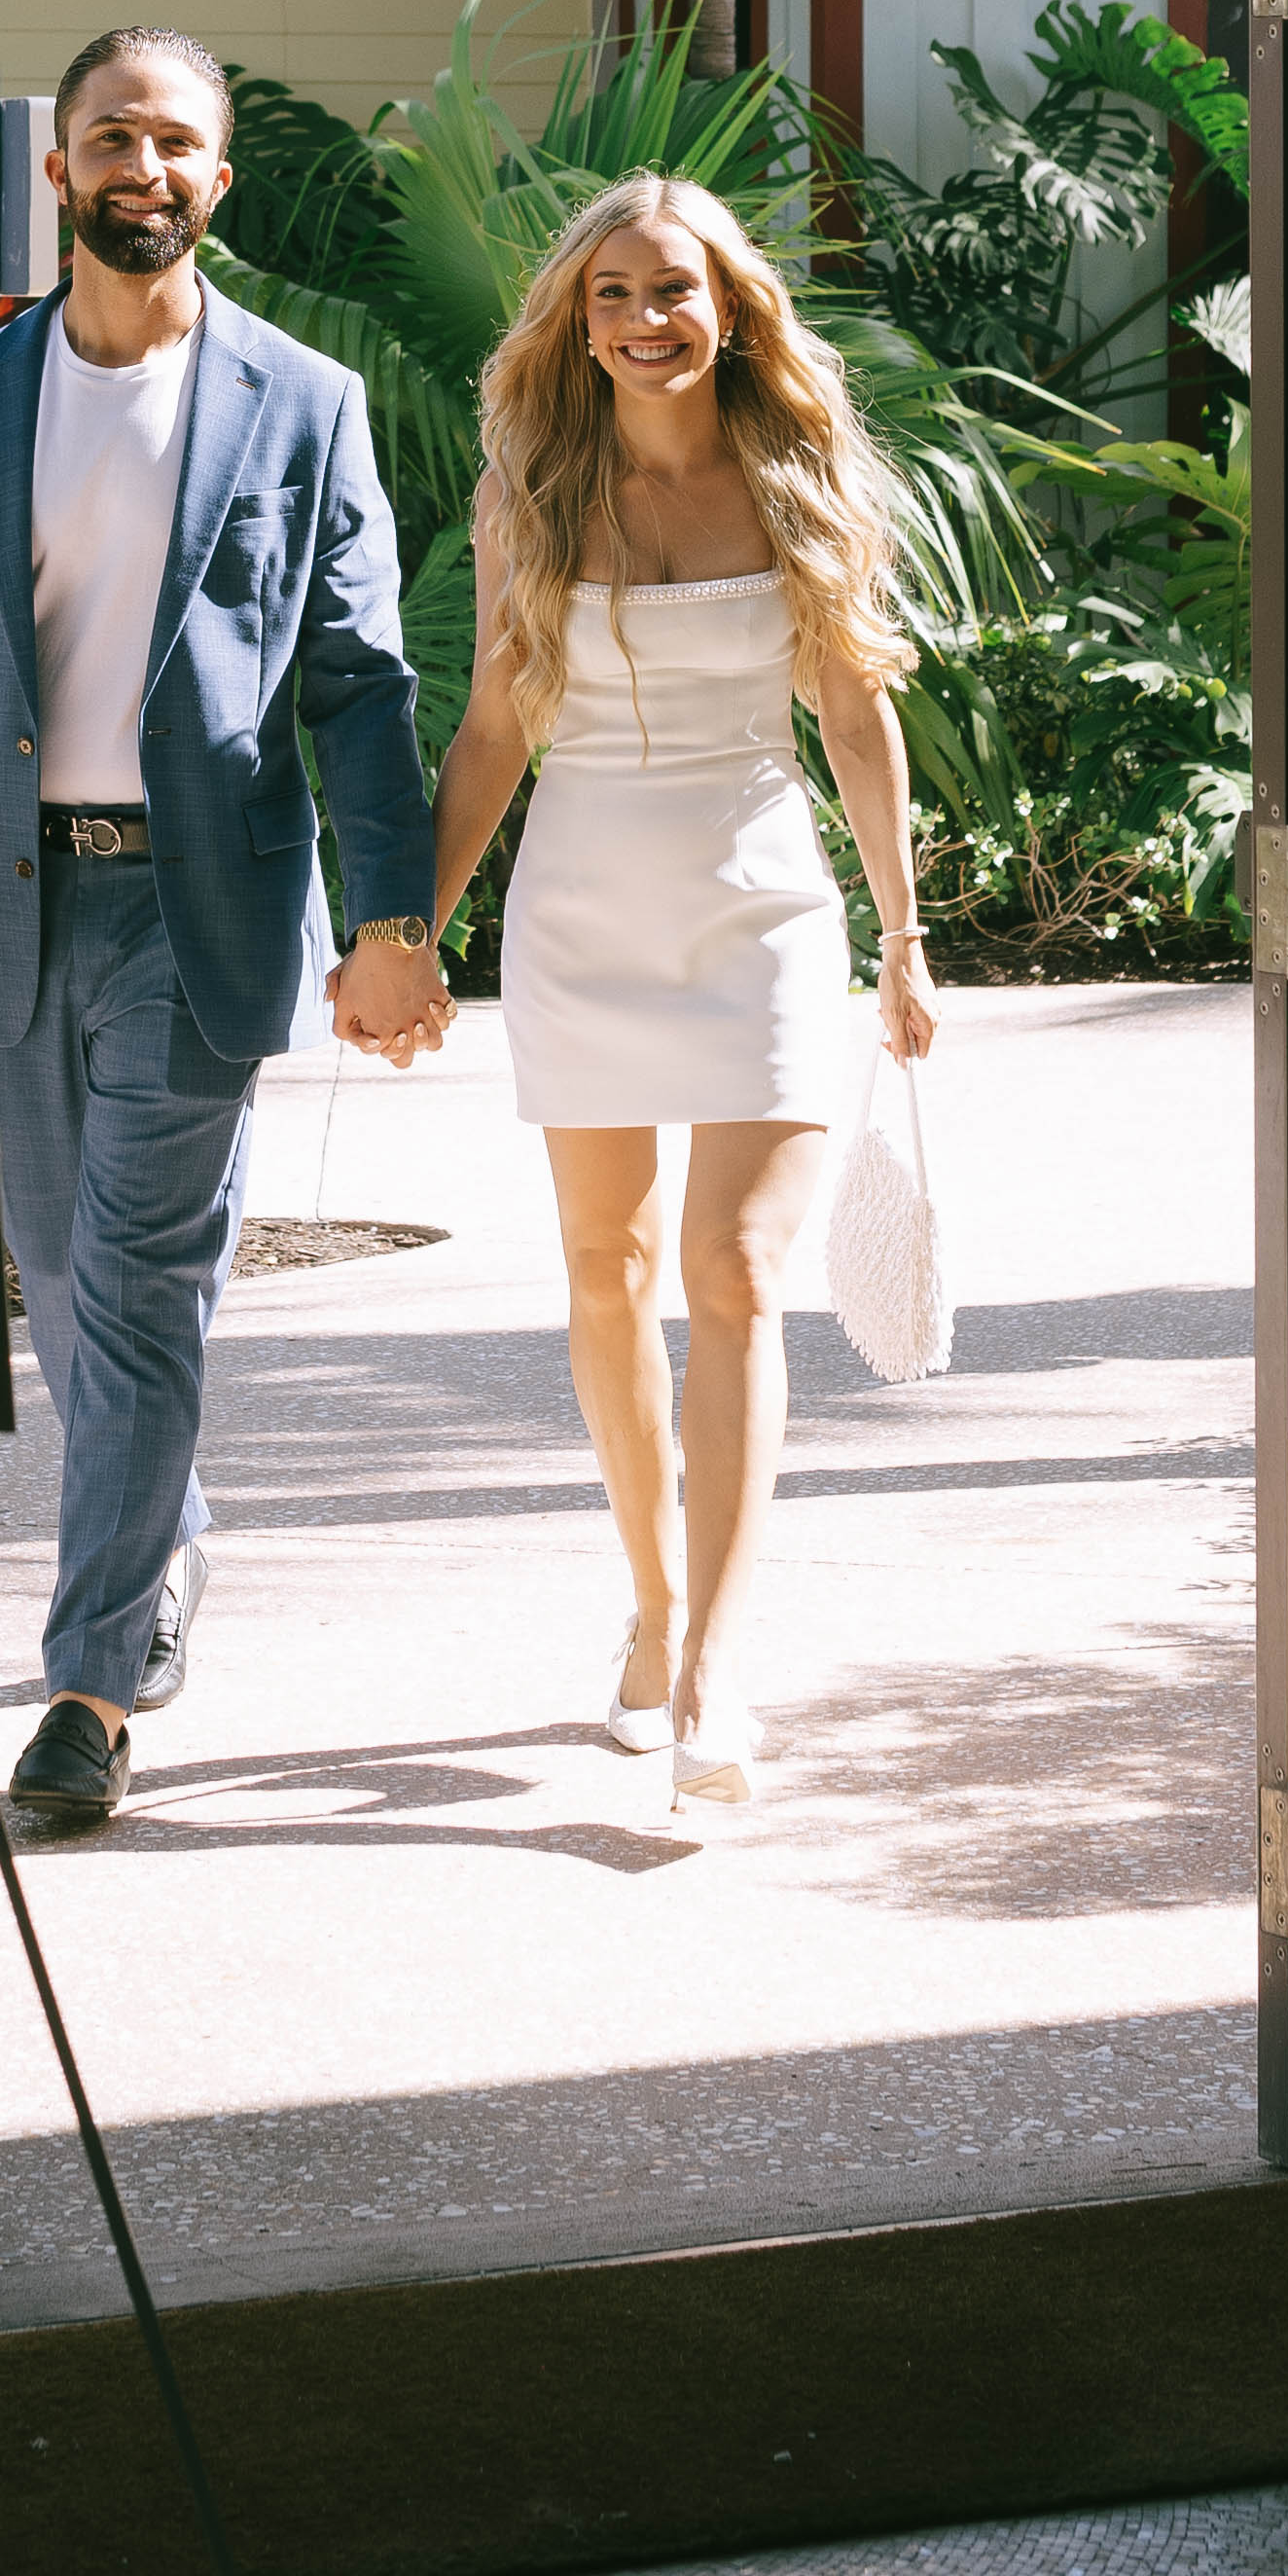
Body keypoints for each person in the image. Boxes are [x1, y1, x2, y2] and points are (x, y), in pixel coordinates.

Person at [0, 21, 447, 1833]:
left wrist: (392, 915)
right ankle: (165, 1542)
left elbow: (361, 681)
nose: (139, 166)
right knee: (65, 1291)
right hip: (14, 907)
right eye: (108, 137)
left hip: (196, 904)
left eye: (173, 140)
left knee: (142, 1292)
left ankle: (86, 1689)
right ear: (58, 169)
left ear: (213, 180)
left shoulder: (302, 402)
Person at [422, 178, 933, 1827]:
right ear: (575, 322)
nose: (646, 322)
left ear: (731, 309)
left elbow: (854, 723)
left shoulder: (792, 483)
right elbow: (493, 733)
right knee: (604, 1271)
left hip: (760, 904)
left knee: (728, 1273)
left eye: (675, 291)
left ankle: (714, 1655)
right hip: (577, 906)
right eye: (613, 296)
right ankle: (646, 1593)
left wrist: (905, 936)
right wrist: (408, 931)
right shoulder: (532, 491)